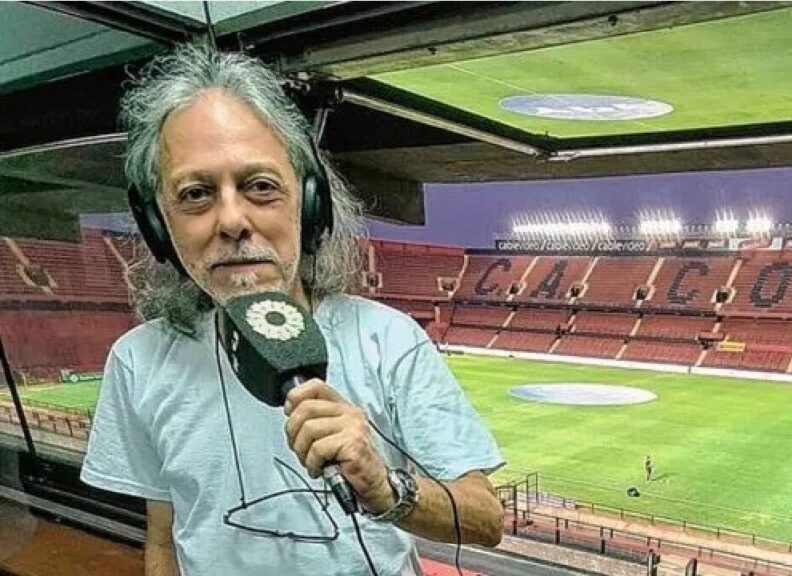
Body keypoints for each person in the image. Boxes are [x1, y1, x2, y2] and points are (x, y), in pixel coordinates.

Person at [81, 43, 505, 576]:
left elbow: (486, 518)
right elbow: (164, 540)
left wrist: (384, 486)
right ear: (157, 224)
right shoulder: (137, 362)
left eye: (260, 187)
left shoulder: (388, 339)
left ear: (309, 203)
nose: (231, 221)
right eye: (195, 194)